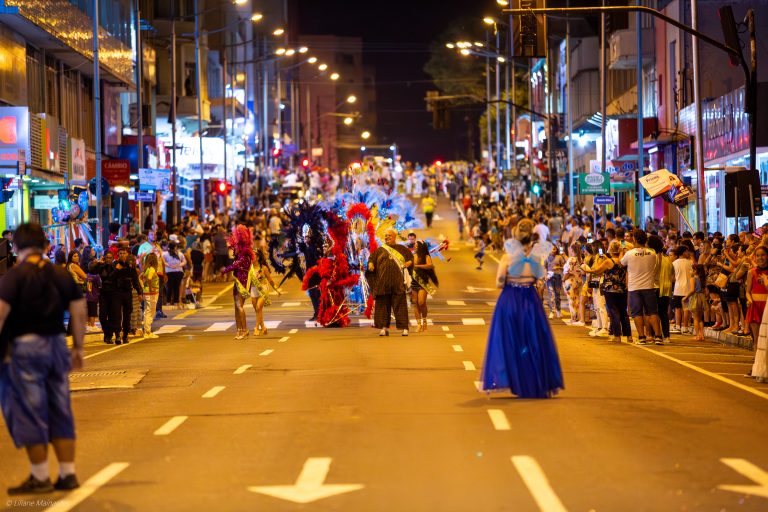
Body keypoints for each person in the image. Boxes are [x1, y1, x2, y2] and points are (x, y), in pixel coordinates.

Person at [0, 223, 86, 494]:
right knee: (60, 407)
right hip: (56, 345)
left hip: (23, 350)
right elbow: (79, 311)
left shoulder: (14, 277)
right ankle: (68, 473)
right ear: (47, 246)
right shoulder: (60, 274)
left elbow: (0, 314)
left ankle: (40, 476)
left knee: (28, 411)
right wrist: (78, 348)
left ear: (15, 247)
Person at [480, 218, 564, 398]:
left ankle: (515, 380)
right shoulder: (536, 257)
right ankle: (534, 381)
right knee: (532, 341)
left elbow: (499, 283)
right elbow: (539, 279)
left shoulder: (507, 257)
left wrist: (511, 280)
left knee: (510, 341)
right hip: (530, 300)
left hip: (510, 299)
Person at [366, 228, 413, 337]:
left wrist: (409, 263)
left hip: (398, 283)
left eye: (389, 236)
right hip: (383, 284)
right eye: (386, 235)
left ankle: (404, 328)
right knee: (382, 307)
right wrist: (371, 264)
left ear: (394, 237)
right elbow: (371, 259)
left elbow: (410, 258)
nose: (387, 237)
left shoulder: (402, 249)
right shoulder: (379, 250)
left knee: (400, 307)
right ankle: (384, 328)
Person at [620, 229, 661, 345]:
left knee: (637, 313)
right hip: (649, 286)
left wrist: (623, 251)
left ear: (634, 239)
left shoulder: (630, 253)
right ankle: (658, 336)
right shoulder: (652, 253)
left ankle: (642, 337)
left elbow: (621, 263)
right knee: (652, 312)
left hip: (634, 287)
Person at [221, 225, 255, 340]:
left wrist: (224, 271)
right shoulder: (240, 252)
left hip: (243, 282)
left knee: (240, 306)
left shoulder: (246, 253)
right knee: (236, 306)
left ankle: (245, 330)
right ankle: (239, 330)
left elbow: (236, 265)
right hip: (237, 281)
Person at [600, 241, 632, 343]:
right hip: (622, 289)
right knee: (623, 312)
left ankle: (617, 336)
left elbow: (596, 270)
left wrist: (587, 270)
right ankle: (629, 336)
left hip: (610, 290)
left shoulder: (608, 261)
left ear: (610, 249)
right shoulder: (623, 261)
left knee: (614, 312)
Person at [112, 247, 143, 345]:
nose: (122, 255)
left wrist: (139, 292)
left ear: (127, 254)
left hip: (127, 293)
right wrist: (116, 270)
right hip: (117, 293)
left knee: (127, 314)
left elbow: (135, 280)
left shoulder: (130, 266)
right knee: (117, 315)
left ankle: (125, 335)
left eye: (124, 253)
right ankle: (117, 335)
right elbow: (110, 278)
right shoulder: (115, 265)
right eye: (120, 253)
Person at [411, 239, 438, 332]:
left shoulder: (426, 256)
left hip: (423, 282)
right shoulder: (413, 256)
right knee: (415, 302)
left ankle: (424, 320)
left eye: (416, 245)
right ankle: (418, 324)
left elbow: (430, 265)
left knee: (421, 302)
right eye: (414, 245)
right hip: (414, 282)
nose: (415, 246)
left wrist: (418, 266)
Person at [250, 247, 278, 336]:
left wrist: (276, 289)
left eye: (253, 256)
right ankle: (263, 327)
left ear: (258, 257)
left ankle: (256, 329)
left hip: (263, 288)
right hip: (253, 289)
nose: (251, 258)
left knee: (258, 307)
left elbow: (270, 280)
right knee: (258, 310)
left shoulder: (263, 268)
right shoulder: (249, 268)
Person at [745, 246, 768, 346]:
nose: (760, 258)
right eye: (757, 255)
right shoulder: (751, 272)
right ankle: (757, 360)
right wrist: (749, 300)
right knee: (756, 338)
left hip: (767, 307)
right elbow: (747, 291)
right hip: (755, 307)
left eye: (762, 255)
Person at [140, 253, 160, 338]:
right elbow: (149, 279)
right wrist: (151, 288)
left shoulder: (146, 269)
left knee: (147, 311)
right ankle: (147, 332)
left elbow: (140, 277)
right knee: (151, 311)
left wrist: (143, 287)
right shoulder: (152, 269)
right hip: (152, 293)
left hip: (146, 292)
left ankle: (146, 331)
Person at [163, 241, 186, 309]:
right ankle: (176, 302)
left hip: (169, 272)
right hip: (178, 271)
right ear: (175, 247)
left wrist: (169, 265)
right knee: (176, 287)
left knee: (169, 287)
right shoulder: (179, 253)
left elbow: (163, 262)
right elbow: (184, 261)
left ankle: (168, 302)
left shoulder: (165, 254)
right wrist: (178, 265)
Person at [545, 245, 565, 319]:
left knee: (557, 294)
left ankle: (558, 310)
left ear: (556, 250)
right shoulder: (546, 257)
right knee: (551, 294)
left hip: (557, 277)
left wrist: (558, 267)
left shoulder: (559, 257)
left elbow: (564, 266)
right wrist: (545, 275)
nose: (553, 250)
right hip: (549, 277)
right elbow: (544, 267)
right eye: (551, 249)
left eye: (554, 249)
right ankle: (551, 311)